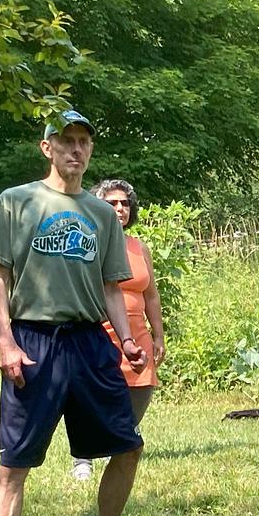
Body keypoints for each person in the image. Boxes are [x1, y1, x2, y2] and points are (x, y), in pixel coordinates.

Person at [0, 110, 150, 516]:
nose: (76, 150)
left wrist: (128, 341)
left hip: (91, 343)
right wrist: (6, 342)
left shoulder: (102, 215)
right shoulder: (16, 202)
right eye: (66, 140)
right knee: (13, 467)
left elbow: (113, 287)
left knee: (127, 446)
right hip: (34, 342)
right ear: (47, 148)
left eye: (84, 141)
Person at [71, 179, 166, 480]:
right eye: (112, 203)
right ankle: (82, 457)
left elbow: (151, 293)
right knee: (90, 394)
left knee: (141, 389)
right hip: (98, 329)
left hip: (136, 331)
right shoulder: (88, 243)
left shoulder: (139, 248)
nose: (120, 209)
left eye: (124, 203)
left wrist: (158, 333)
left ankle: (120, 445)